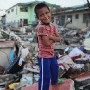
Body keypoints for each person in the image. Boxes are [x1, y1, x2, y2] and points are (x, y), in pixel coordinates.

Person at [34, 2, 63, 90]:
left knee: (55, 70)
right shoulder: (41, 28)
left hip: (51, 54)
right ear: (38, 17)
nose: (45, 16)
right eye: (42, 15)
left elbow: (59, 38)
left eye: (47, 12)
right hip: (43, 57)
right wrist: (53, 38)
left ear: (50, 12)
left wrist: (49, 37)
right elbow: (46, 43)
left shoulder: (52, 26)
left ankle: (54, 82)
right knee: (45, 76)